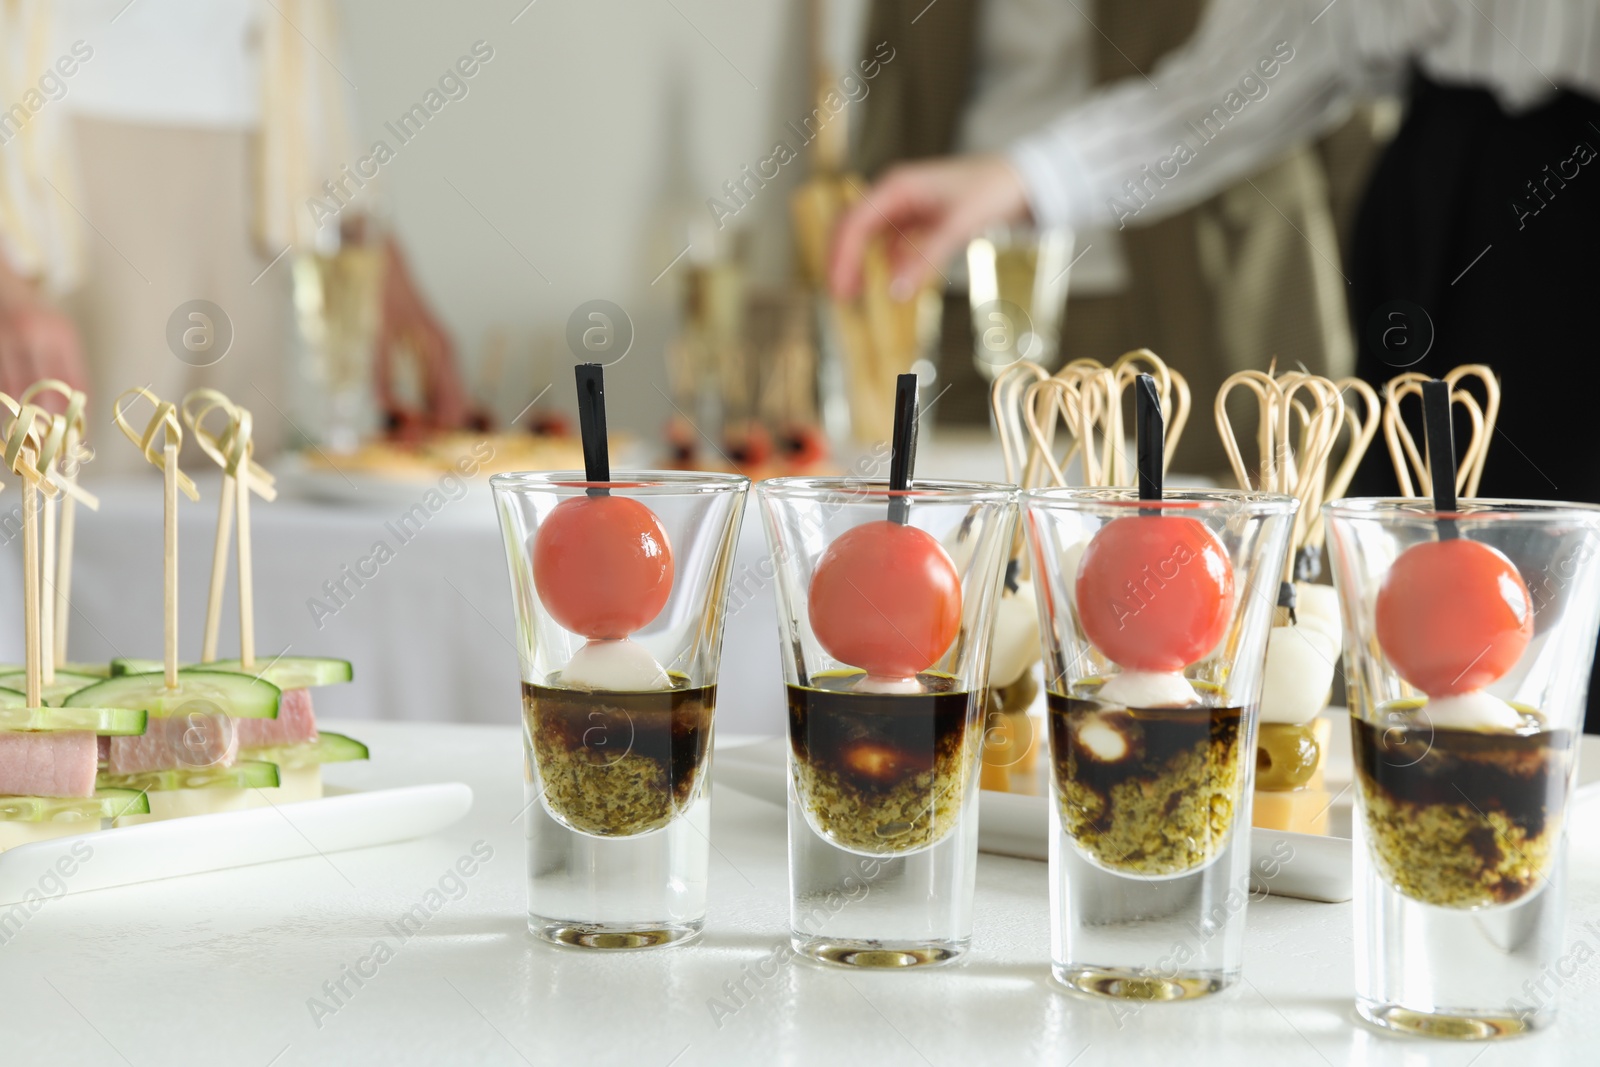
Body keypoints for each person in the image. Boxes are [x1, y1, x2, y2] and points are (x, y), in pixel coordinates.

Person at [831, 0, 1600, 729]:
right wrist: (1030, 177)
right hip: (1452, 182)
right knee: (1425, 657)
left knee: (1545, 671)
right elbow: (1289, 44)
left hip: (1557, 199)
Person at [0, 0, 465, 464]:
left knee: (238, 490)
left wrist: (360, 230)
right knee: (74, 494)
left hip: (258, 173)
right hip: (60, 162)